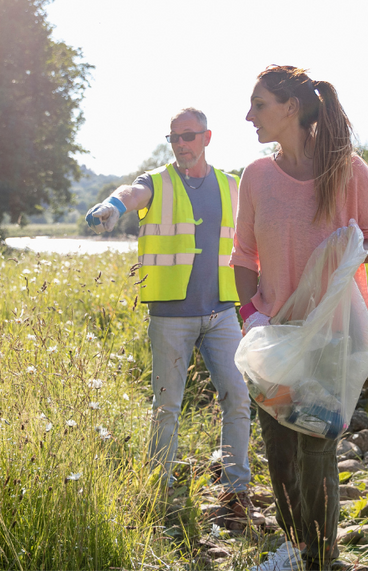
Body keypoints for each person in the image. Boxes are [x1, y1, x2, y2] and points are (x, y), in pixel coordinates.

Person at [231, 66, 368, 571]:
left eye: (259, 104)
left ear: (290, 108)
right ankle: (296, 547)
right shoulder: (256, 175)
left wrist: (347, 248)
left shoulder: (349, 170)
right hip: (272, 332)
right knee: (278, 446)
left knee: (317, 445)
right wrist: (251, 315)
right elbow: (243, 254)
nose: (249, 115)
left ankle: (321, 554)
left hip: (329, 334)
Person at [85, 108, 262, 526]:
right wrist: (112, 204)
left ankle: (236, 492)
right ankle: (159, 490)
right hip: (170, 316)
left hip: (221, 313)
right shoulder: (157, 182)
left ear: (207, 137)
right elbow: (131, 193)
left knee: (238, 398)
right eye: (174, 137)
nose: (181, 144)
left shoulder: (232, 186)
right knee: (167, 405)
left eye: (188, 136)